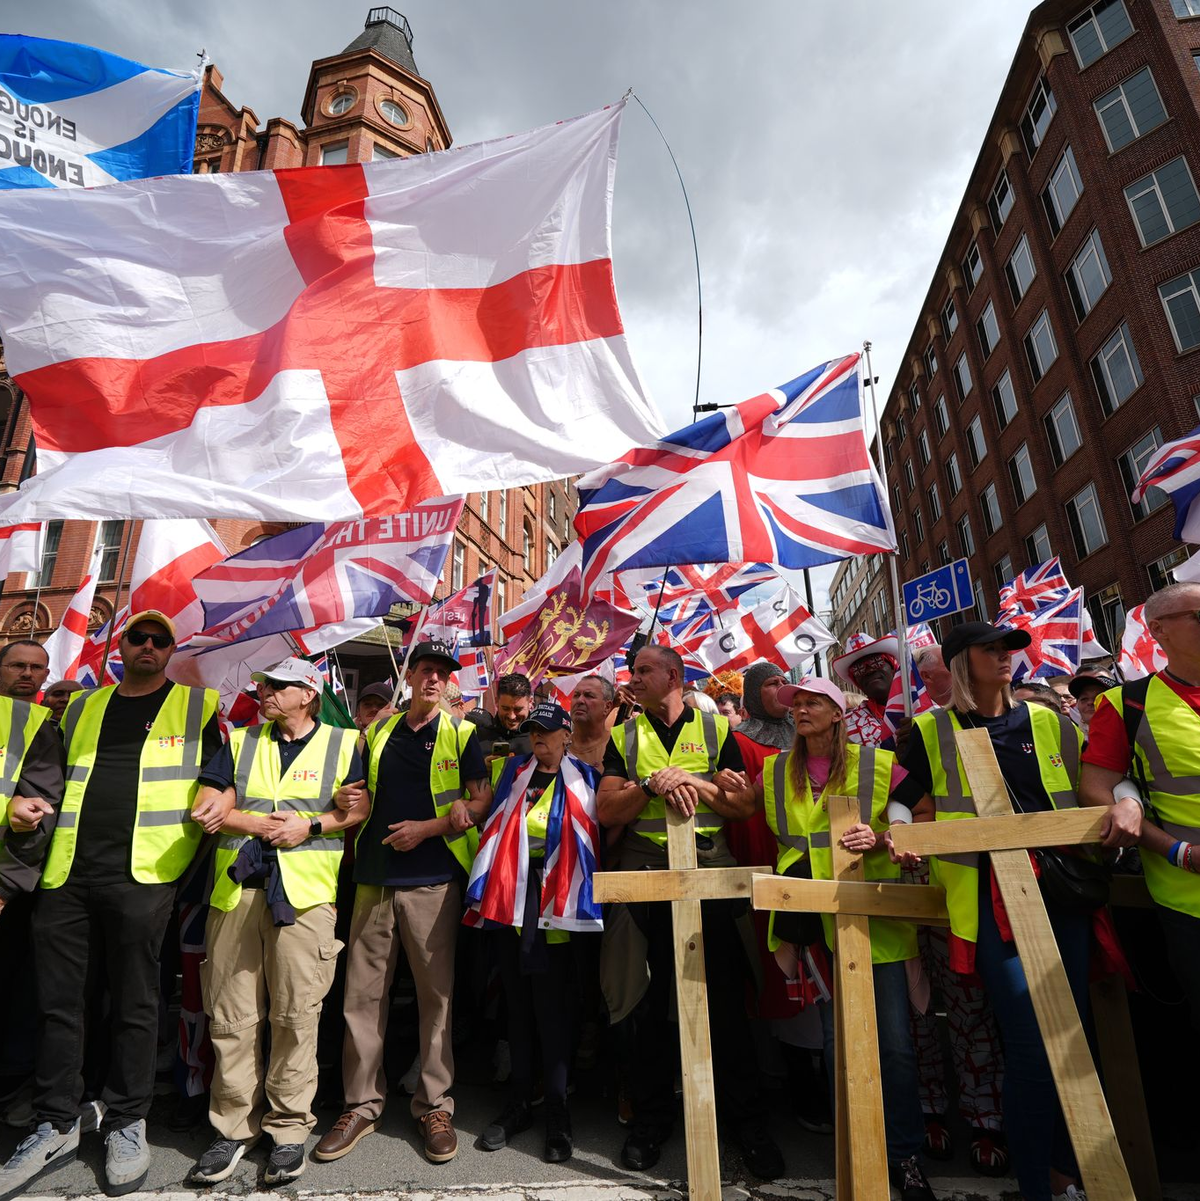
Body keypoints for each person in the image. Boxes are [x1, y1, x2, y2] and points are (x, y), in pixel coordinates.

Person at [0, 612, 221, 1200]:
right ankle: (55, 1121)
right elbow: (41, 776)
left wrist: (215, 790)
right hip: (66, 872)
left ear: (172, 650)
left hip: (146, 874)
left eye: (159, 640)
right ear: (120, 646)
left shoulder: (200, 707)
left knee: (135, 1002)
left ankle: (126, 1120)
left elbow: (227, 773)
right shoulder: (80, 707)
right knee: (58, 1002)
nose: (147, 646)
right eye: (137, 637)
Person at [901, 621, 1094, 1201]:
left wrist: (1129, 806)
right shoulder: (929, 728)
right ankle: (1041, 1182)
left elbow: (1097, 784)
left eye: (1010, 647)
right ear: (962, 662)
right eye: (991, 648)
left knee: (1073, 1036)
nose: (1006, 656)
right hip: (988, 902)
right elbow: (905, 804)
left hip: (1062, 892)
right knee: (1033, 1042)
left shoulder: (1048, 721)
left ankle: (1071, 1174)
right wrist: (898, 830)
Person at [731, 676, 935, 1201]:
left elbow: (924, 816)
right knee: (836, 1043)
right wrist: (727, 795)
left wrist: (888, 837)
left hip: (875, 919)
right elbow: (744, 808)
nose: (799, 709)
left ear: (837, 712)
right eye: (794, 702)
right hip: (813, 921)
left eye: (811, 701)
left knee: (893, 1045)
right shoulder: (776, 768)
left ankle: (905, 1156)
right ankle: (856, 1149)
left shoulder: (877, 762)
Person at [597, 645, 784, 1180]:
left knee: (724, 1003)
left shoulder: (716, 731)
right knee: (648, 1008)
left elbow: (744, 805)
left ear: (673, 676)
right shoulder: (624, 736)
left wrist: (689, 782)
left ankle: (746, 1122)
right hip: (645, 882)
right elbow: (606, 808)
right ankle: (652, 1119)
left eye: (643, 671)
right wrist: (650, 787)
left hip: (710, 875)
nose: (634, 679)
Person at [189, 658, 367, 1186]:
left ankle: (288, 1131)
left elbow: (358, 808)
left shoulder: (343, 742)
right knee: (232, 1018)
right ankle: (233, 1129)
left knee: (296, 1016)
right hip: (236, 896)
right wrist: (266, 825)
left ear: (307, 694)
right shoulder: (240, 741)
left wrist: (310, 824)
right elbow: (206, 805)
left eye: (276, 686)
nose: (263, 692)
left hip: (307, 900)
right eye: (263, 685)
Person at [315, 639, 491, 1166]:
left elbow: (480, 799)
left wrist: (431, 827)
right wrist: (347, 798)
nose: (435, 679)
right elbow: (352, 795)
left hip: (434, 881)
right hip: (374, 879)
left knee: (437, 1000)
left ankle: (434, 1105)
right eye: (427, 670)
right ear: (410, 675)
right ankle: (360, 1105)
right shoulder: (378, 730)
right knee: (361, 1000)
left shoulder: (462, 734)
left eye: (443, 673)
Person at [469, 702, 601, 1162]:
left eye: (546, 731)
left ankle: (558, 1112)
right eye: (532, 731)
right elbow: (492, 825)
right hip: (512, 903)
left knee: (554, 1010)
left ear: (567, 735)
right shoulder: (513, 772)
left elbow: (596, 838)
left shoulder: (586, 777)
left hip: (559, 908)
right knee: (517, 1006)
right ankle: (518, 1104)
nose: (538, 738)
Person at [1079, 582, 1200, 1029]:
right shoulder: (1127, 703)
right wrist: (1176, 851)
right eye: (1199, 615)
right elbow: (1096, 789)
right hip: (1190, 902)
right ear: (1158, 630)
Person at [833, 633, 899, 748]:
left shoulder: (921, 704)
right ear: (857, 682)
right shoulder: (844, 728)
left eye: (876, 661)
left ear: (892, 667)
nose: (869, 671)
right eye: (859, 669)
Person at [468, 672, 533, 757]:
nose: (512, 716)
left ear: (530, 702)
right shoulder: (477, 737)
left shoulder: (541, 739)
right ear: (496, 702)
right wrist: (482, 767)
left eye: (518, 709)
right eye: (506, 708)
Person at [1067, 671, 1116, 736]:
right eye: (1084, 699)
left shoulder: (1131, 735)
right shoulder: (1075, 741)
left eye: (1098, 697)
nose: (1090, 702)